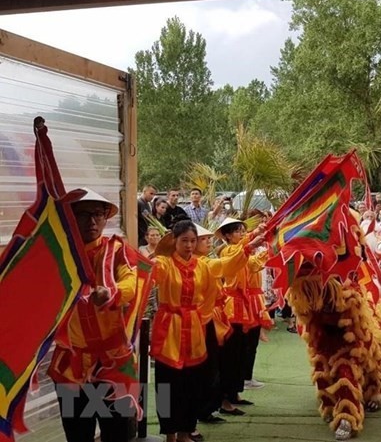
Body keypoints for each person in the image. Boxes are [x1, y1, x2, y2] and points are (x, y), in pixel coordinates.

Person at [150, 220, 265, 442]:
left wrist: (249, 247)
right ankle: (169, 434)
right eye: (185, 241)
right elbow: (148, 272)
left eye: (193, 241)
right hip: (169, 329)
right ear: (174, 241)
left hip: (194, 329)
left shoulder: (203, 265)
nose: (190, 245)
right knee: (166, 384)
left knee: (192, 382)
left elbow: (226, 265)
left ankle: (186, 431)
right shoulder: (164, 264)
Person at [48, 188, 138, 442]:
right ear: (71, 218)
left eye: (98, 214)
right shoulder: (58, 256)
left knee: (119, 433)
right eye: (84, 214)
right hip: (71, 363)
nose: (93, 221)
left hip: (113, 361)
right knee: (77, 434)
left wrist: (110, 293)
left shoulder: (115, 251)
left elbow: (130, 284)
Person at [216, 218, 271, 414]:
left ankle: (235, 393)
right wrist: (255, 234)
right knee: (231, 353)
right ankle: (224, 398)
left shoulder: (242, 252)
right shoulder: (228, 251)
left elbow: (253, 263)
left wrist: (266, 250)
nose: (241, 233)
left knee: (242, 351)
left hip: (246, 304)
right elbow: (242, 252)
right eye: (237, 231)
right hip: (232, 306)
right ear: (227, 235)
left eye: (242, 230)